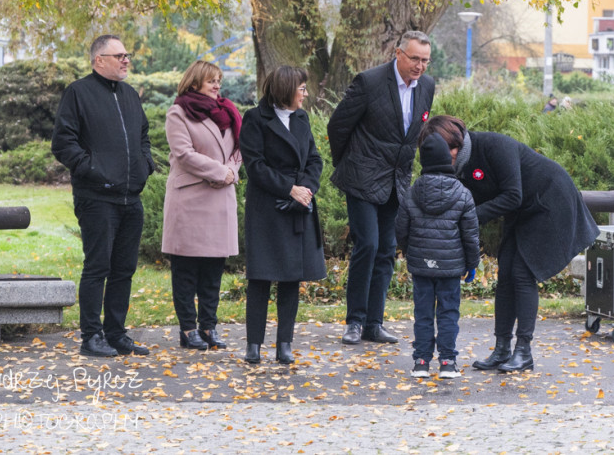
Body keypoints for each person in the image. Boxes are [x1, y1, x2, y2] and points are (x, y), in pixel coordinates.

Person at [418, 115, 599, 372]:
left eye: (447, 151)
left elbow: (512, 195)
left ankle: (523, 351)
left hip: (549, 200)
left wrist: (468, 218)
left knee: (522, 273)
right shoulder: (456, 170)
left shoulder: (493, 146)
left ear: (456, 143)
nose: (443, 158)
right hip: (523, 210)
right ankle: (502, 349)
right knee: (506, 273)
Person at [328, 31, 436, 346]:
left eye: (425, 61)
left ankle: (374, 323)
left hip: (397, 181)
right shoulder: (370, 82)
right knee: (369, 246)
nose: (419, 66)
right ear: (398, 53)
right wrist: (349, 164)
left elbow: (418, 130)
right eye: (415, 58)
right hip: (362, 178)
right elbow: (338, 126)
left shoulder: (427, 86)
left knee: (388, 251)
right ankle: (354, 321)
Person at [51, 34, 155, 357]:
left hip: (130, 199)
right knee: (98, 267)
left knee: (124, 269)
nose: (126, 60)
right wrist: (93, 170)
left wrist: (145, 166)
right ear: (99, 61)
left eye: (127, 54)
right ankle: (91, 336)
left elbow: (143, 138)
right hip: (96, 199)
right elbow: (63, 144)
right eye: (119, 55)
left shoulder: (129, 95)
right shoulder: (78, 93)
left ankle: (116, 333)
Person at [240, 66, 326, 365]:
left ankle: (284, 343)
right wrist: (289, 189)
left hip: (297, 207)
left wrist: (306, 190)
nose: (305, 94)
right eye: (301, 88)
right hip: (268, 207)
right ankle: (254, 344)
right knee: (261, 278)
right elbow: (255, 166)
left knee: (292, 277)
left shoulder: (301, 118)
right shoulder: (255, 118)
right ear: (286, 89)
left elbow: (315, 159)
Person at [161, 60, 242, 352]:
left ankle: (209, 326)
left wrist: (232, 170)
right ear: (195, 82)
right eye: (211, 81)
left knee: (213, 269)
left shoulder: (228, 111)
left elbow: (238, 148)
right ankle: (188, 329)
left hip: (220, 200)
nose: (217, 85)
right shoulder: (178, 112)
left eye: (219, 80)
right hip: (191, 200)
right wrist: (222, 173)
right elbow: (183, 154)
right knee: (186, 271)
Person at [395, 133, 480, 378]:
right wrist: (471, 264)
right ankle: (447, 363)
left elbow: (401, 230)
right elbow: (470, 236)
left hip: (421, 266)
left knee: (422, 313)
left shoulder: (412, 192)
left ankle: (421, 361)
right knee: (448, 313)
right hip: (451, 268)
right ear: (448, 161)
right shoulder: (462, 193)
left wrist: (410, 252)